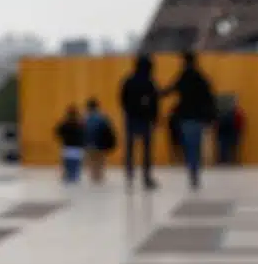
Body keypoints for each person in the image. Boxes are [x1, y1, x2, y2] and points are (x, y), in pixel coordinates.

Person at [163, 51, 216, 188]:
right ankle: (195, 172)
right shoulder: (201, 77)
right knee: (196, 145)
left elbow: (169, 90)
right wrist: (211, 117)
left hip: (185, 117)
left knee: (188, 146)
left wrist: (154, 93)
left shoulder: (183, 76)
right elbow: (209, 97)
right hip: (198, 117)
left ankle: (192, 171)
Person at [119, 54, 160, 190]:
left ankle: (130, 176)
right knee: (146, 150)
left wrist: (130, 110)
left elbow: (122, 100)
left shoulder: (128, 81)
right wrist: (155, 118)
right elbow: (155, 102)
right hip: (145, 119)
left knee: (130, 148)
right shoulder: (150, 82)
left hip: (131, 118)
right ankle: (146, 177)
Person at [83, 98, 116, 184]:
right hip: (101, 144)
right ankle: (99, 176)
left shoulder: (85, 118)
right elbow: (109, 131)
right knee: (100, 161)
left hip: (89, 144)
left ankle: (93, 177)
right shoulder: (103, 118)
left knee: (92, 161)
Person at [55, 105, 85, 184]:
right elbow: (84, 134)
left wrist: (63, 138)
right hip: (77, 147)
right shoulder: (80, 124)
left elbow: (57, 131)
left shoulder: (65, 123)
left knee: (68, 164)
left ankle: (68, 178)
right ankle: (74, 178)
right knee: (76, 165)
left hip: (67, 147)